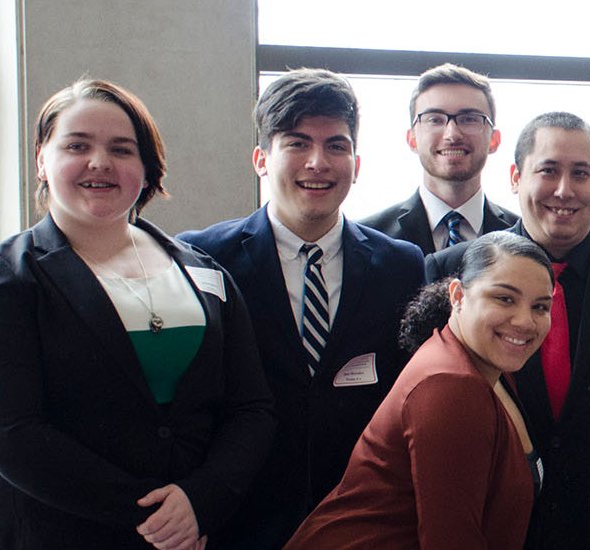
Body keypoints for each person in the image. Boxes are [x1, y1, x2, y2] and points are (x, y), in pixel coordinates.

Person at [0, 79, 274, 549]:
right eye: (77, 145)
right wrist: (155, 517)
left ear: (146, 167)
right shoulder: (0, 281)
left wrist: (201, 501)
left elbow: (251, 408)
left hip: (180, 530)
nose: (100, 162)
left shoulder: (204, 272)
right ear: (42, 159)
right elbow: (10, 433)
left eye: (122, 149)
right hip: (41, 531)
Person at [178, 68, 425, 548]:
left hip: (358, 523)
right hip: (238, 522)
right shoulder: (203, 258)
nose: (318, 162)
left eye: (336, 146)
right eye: (297, 143)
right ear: (261, 159)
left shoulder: (400, 264)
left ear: (356, 162)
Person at [424, 111, 590, 549]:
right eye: (548, 171)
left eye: (581, 173)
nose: (564, 190)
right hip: (490, 524)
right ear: (516, 177)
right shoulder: (453, 269)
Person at [286, 232, 548, 549]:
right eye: (504, 299)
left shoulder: (482, 363)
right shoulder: (452, 386)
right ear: (457, 295)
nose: (525, 321)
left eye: (540, 307)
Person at [361, 63, 520, 255]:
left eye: (469, 119)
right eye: (435, 119)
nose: (452, 134)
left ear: (494, 140)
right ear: (412, 139)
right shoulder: (368, 240)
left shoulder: (523, 239)